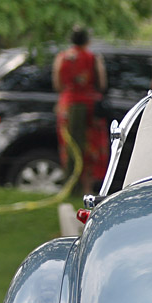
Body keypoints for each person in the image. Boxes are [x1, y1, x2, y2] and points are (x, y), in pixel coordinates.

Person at [52, 26, 108, 194]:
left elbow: (57, 85)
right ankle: (87, 188)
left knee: (70, 146)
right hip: (89, 106)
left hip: (67, 106)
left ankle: (70, 185)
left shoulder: (62, 58)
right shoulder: (93, 58)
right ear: (87, 40)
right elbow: (102, 83)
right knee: (91, 146)